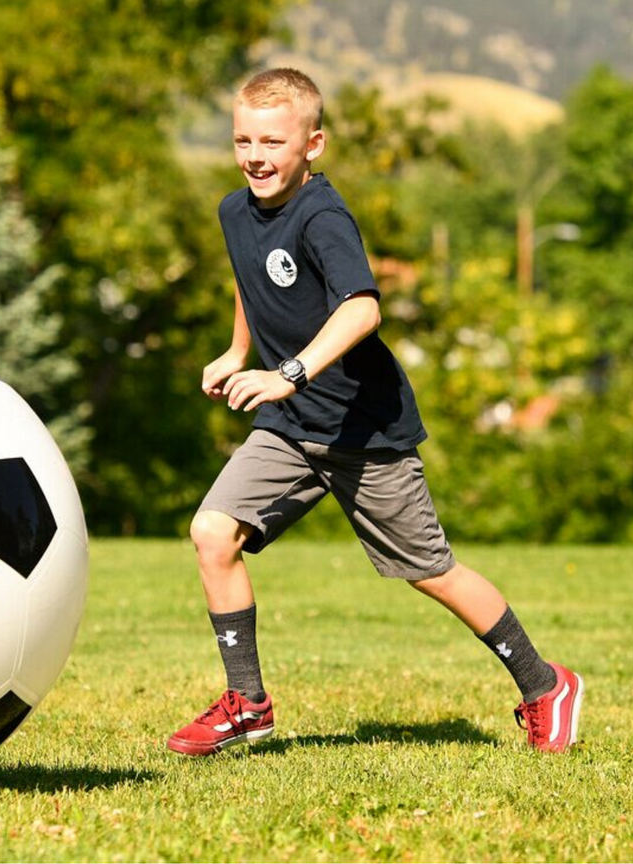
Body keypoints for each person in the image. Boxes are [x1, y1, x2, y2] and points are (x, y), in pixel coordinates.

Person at [165, 68, 583, 757]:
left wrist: (288, 373)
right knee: (213, 532)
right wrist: (237, 350)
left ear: (314, 144)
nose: (255, 156)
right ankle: (248, 702)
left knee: (431, 571)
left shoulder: (323, 216)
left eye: (274, 140)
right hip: (291, 427)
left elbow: (362, 308)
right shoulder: (235, 211)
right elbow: (249, 278)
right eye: (243, 139)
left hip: (364, 430)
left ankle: (545, 686)